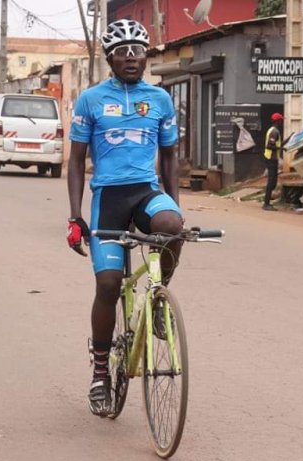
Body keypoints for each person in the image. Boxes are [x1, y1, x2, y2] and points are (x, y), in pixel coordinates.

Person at [66, 19, 182, 417]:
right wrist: (74, 216)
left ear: (147, 56)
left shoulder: (161, 100)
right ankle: (100, 371)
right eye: (122, 52)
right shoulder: (91, 100)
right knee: (109, 284)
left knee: (173, 228)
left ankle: (159, 299)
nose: (131, 57)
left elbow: (169, 157)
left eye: (138, 50)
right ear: (110, 58)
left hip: (146, 192)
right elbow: (77, 161)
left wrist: (173, 202)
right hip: (109, 198)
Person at [262, 112, 283, 211]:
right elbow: (269, 145)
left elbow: (277, 144)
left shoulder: (272, 130)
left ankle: (267, 201)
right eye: (281, 120)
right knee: (271, 181)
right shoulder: (274, 132)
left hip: (271, 158)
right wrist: (280, 147)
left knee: (273, 181)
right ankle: (266, 204)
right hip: (271, 158)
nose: (281, 122)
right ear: (278, 121)